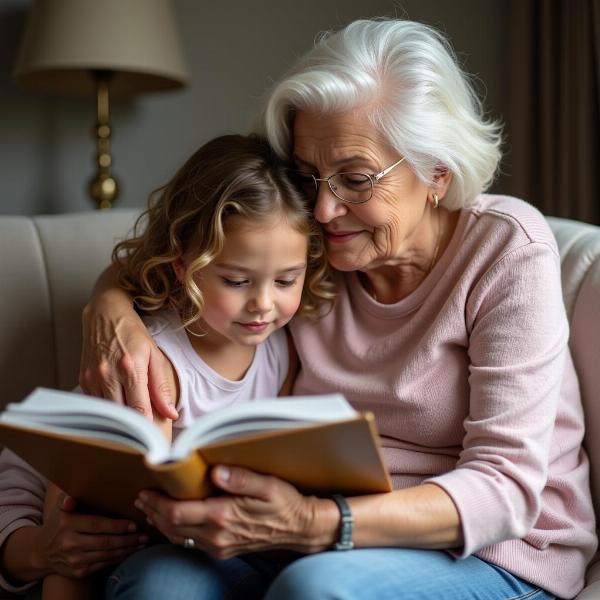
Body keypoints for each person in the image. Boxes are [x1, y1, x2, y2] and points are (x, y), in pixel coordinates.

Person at [2, 17, 597, 600]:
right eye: (310, 177)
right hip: (298, 534)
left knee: (318, 588)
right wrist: (109, 310)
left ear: (436, 171)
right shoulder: (314, 254)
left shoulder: (505, 250)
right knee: (159, 581)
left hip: (487, 553)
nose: (324, 210)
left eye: (356, 179)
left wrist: (315, 522)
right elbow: (174, 258)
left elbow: (506, 491)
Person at [0, 134, 332, 599]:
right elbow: (69, 510)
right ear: (184, 267)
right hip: (31, 498)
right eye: (236, 280)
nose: (262, 304)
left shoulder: (283, 346)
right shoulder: (153, 367)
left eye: (286, 280)